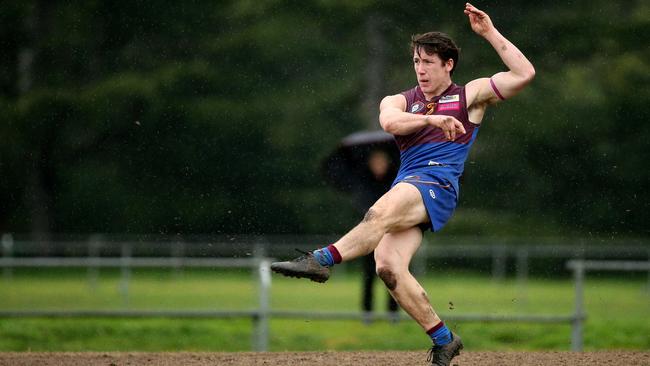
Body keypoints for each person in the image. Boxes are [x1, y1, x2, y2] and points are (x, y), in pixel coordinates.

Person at [271, 3, 535, 365]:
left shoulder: (469, 95)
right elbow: (391, 123)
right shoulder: (401, 100)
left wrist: (489, 32)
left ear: (448, 64)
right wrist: (434, 121)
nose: (420, 69)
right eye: (416, 61)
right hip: (409, 184)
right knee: (388, 266)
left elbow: (524, 73)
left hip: (437, 184)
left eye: (428, 62)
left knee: (378, 211)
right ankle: (444, 339)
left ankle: (321, 260)